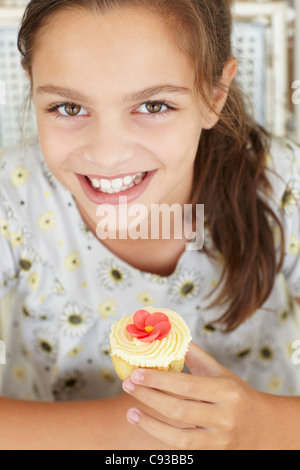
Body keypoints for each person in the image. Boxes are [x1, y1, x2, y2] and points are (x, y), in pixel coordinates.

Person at [0, 0, 300, 450]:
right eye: (67, 107)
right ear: (32, 87)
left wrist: (261, 424)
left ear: (214, 97)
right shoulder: (13, 201)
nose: (106, 153)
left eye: (154, 105)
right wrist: (143, 424)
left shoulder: (283, 189)